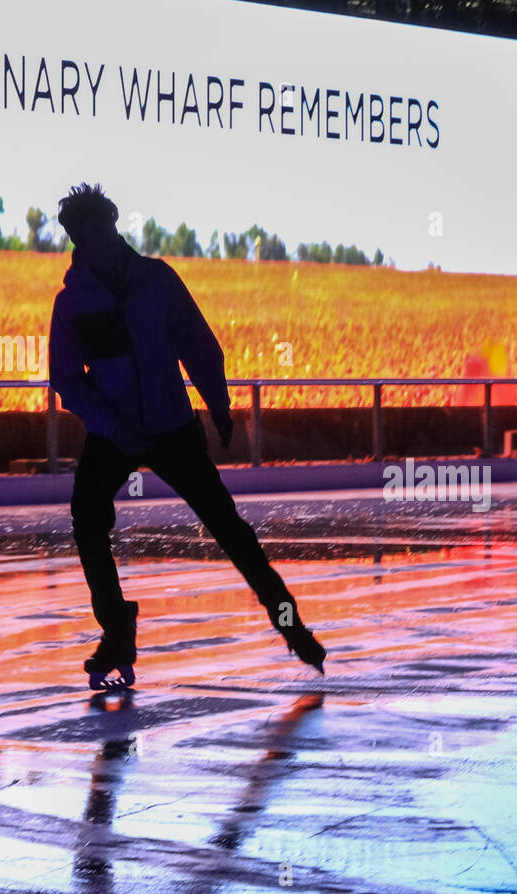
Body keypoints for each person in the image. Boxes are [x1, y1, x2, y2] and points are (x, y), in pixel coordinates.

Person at [49, 183, 325, 688]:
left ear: (113, 224)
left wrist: (218, 403)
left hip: (173, 427)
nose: (99, 241)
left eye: (103, 229)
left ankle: (291, 626)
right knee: (87, 520)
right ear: (76, 239)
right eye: (86, 235)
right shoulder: (72, 304)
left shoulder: (157, 280)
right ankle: (117, 631)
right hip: (115, 435)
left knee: (230, 530)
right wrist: (113, 426)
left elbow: (197, 343)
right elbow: (67, 380)